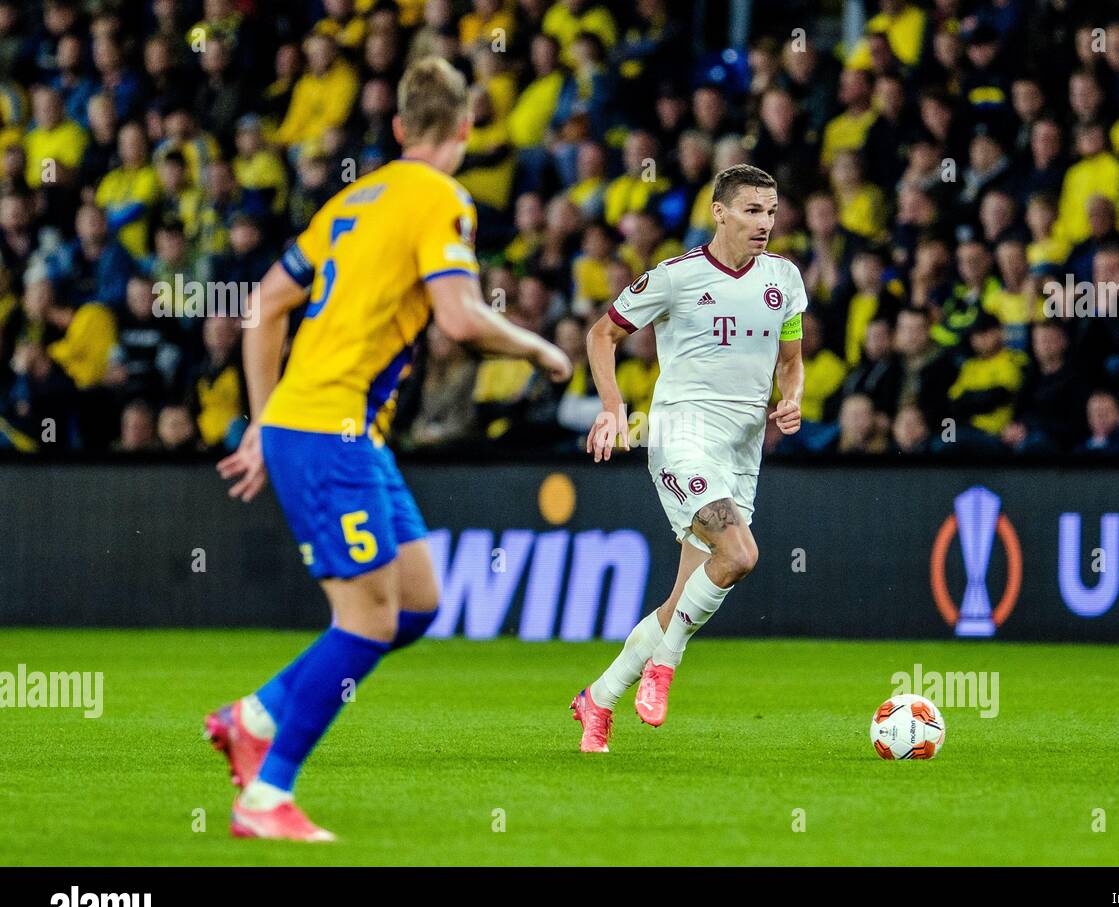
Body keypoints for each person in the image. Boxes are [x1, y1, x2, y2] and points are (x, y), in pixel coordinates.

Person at [209, 57, 571, 840]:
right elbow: (462, 318)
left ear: (402, 128)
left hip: (335, 429)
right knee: (368, 620)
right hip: (329, 429)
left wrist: (264, 420)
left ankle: (255, 714)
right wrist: (541, 349)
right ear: (467, 127)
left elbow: (265, 303)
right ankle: (265, 797)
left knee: (416, 605)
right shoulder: (442, 197)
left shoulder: (354, 197)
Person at [572, 163, 807, 752]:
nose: (765, 223)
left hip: (741, 449)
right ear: (720, 212)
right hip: (681, 434)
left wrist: (793, 399)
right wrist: (611, 408)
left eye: (772, 212)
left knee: (686, 595)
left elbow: (791, 360)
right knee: (740, 553)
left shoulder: (785, 279)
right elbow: (601, 334)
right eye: (753, 211)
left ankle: (598, 699)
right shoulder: (676, 278)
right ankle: (665, 665)